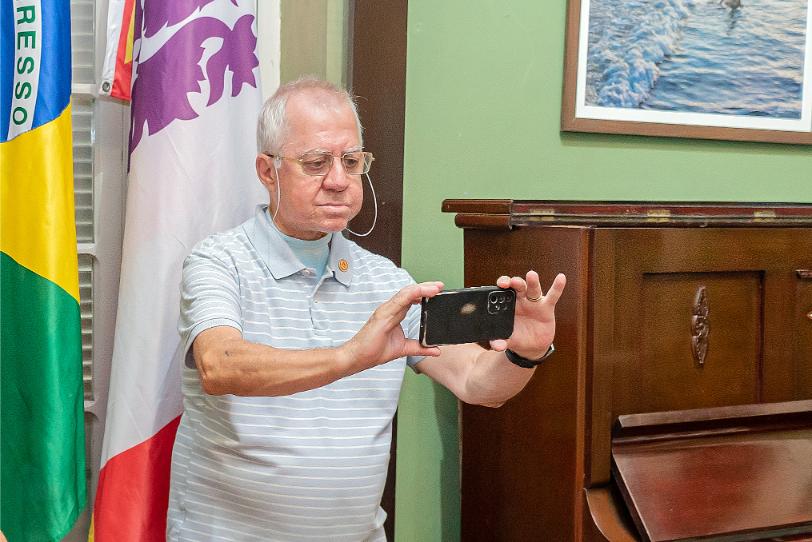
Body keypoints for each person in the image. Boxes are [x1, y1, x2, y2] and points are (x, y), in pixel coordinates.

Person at [166, 77, 566, 541]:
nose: (338, 181)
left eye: (352, 161)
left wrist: (524, 353)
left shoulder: (387, 282)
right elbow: (219, 365)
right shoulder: (219, 261)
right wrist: (350, 356)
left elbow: (477, 383)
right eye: (316, 163)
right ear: (267, 170)